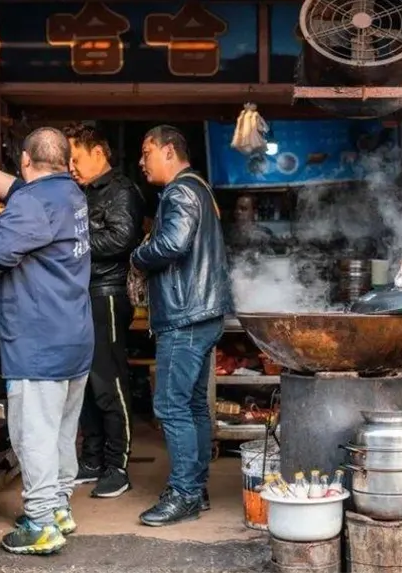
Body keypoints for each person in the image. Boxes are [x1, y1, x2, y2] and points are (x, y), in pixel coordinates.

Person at [0, 128, 93, 556]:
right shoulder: (68, 194)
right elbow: (21, 192)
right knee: (61, 434)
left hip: (38, 344)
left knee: (34, 436)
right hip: (73, 338)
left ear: (27, 161)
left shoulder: (35, 202)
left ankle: (40, 524)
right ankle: (59, 509)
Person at [131, 125, 234, 527]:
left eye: (146, 152)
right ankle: (196, 488)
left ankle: (185, 494)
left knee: (172, 406)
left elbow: (172, 244)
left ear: (169, 151)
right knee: (191, 405)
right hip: (202, 313)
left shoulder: (180, 191)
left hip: (185, 314)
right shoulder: (200, 189)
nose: (141, 162)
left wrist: (139, 256)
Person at [62, 123, 145, 497]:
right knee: (84, 379)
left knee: (108, 380)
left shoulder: (120, 190)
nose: (71, 167)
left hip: (107, 295)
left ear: (98, 153)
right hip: (81, 294)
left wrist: (71, 240)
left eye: (76, 159)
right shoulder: (81, 192)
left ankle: (118, 466)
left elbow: (122, 237)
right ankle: (92, 459)